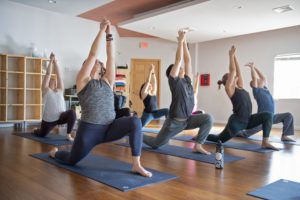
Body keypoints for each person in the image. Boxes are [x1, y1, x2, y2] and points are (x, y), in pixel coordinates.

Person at [49, 19, 152, 177]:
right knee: (71, 160)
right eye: (93, 62)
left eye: (98, 62)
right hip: (89, 131)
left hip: (110, 127)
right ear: (87, 66)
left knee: (135, 121)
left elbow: (110, 55)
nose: (97, 61)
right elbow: (92, 54)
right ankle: (55, 153)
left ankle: (136, 164)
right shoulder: (83, 82)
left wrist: (109, 33)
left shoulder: (108, 81)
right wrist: (101, 30)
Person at [143, 30, 213, 155]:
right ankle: (136, 134)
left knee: (208, 118)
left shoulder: (187, 80)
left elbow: (187, 61)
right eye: (178, 68)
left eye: (181, 68)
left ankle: (198, 145)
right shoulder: (174, 82)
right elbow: (179, 59)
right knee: (155, 144)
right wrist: (180, 42)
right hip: (174, 123)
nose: (181, 68)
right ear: (172, 73)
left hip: (188, 120)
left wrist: (185, 40)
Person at [206, 46, 278, 150]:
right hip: (236, 123)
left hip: (248, 120)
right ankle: (201, 136)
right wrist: (230, 56)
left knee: (268, 115)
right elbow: (233, 70)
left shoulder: (240, 86)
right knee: (219, 139)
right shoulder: (229, 89)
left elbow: (237, 70)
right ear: (229, 80)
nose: (236, 76)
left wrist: (235, 56)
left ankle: (265, 142)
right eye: (233, 76)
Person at [237, 62, 295, 142]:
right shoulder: (256, 91)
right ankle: (235, 132)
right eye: (257, 80)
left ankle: (285, 135)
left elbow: (263, 78)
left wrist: (255, 67)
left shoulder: (265, 89)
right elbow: (254, 78)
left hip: (272, 117)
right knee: (245, 134)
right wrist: (252, 68)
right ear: (255, 84)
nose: (259, 80)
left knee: (288, 115)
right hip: (262, 119)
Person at [32, 53, 76, 141]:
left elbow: (59, 76)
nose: (55, 83)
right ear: (49, 83)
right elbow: (48, 74)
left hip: (61, 117)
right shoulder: (46, 90)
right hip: (49, 120)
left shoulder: (60, 90)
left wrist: (56, 62)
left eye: (56, 82)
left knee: (72, 112)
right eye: (53, 81)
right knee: (41, 135)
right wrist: (51, 60)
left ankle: (68, 135)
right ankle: (36, 130)